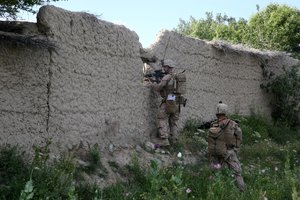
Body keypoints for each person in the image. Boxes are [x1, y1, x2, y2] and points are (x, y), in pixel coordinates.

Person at [208, 101, 245, 192]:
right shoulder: (232, 124)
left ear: (217, 112)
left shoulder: (214, 124)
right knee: (237, 173)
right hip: (229, 152)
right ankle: (242, 192)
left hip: (217, 152)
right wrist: (236, 147)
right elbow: (239, 135)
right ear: (225, 111)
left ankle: (212, 191)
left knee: (214, 172)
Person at [152, 59, 180, 148]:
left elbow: (158, 88)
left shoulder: (167, 77)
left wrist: (154, 83)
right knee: (173, 122)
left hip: (168, 102)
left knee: (161, 118)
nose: (164, 68)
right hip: (177, 102)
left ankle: (164, 140)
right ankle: (174, 140)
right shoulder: (177, 76)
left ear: (168, 67)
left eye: (165, 67)